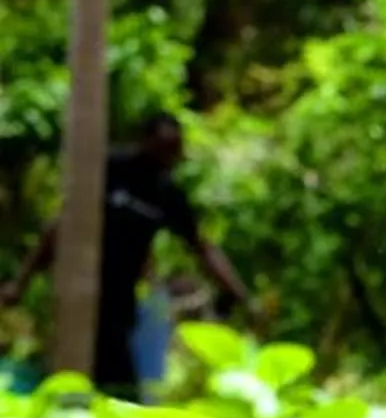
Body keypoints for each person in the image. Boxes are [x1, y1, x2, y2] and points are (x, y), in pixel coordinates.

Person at [1, 115, 252, 399]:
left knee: (116, 384)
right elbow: (60, 226)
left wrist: (238, 293)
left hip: (120, 302)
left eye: (174, 150)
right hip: (80, 294)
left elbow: (201, 247)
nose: (168, 157)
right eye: (164, 147)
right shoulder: (109, 168)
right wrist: (20, 283)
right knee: (76, 375)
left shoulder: (166, 193)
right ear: (145, 141)